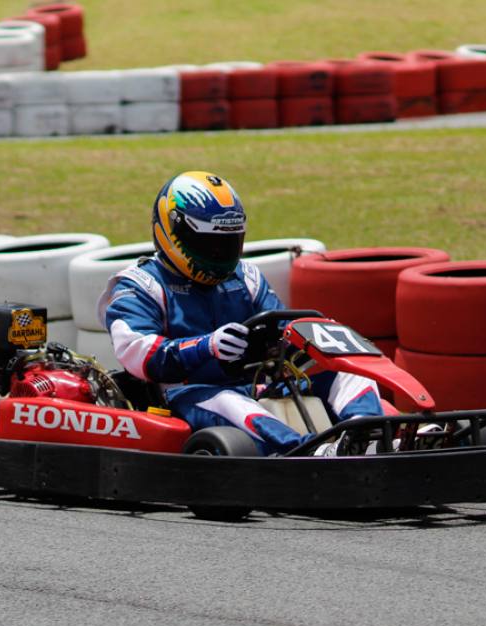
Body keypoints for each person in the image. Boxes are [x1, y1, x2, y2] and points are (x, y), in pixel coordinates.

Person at [97, 171, 383, 455]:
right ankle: (309, 454)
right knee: (229, 402)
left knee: (351, 375)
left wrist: (314, 334)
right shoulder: (140, 284)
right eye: (210, 244)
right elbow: (139, 355)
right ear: (174, 231)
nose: (220, 254)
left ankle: (367, 438)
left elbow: (282, 326)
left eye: (228, 243)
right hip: (185, 397)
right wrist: (206, 347)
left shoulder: (245, 277)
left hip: (257, 387)